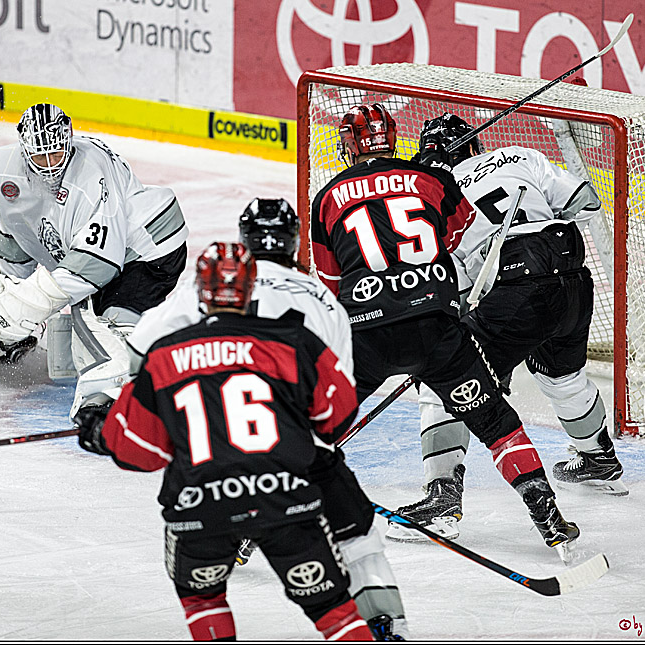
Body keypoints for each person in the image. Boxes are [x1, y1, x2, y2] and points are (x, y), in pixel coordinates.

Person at [122, 198, 408, 640]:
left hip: (214, 455)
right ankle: (385, 628)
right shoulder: (324, 301)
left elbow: (142, 349)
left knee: (204, 588)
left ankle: (243, 527)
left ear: (245, 239)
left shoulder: (213, 282)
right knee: (358, 539)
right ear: (294, 241)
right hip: (299, 459)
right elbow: (339, 402)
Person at [309, 103, 579, 559]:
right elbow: (460, 239)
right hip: (437, 332)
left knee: (315, 426)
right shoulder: (432, 181)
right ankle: (549, 518)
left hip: (368, 338)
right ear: (393, 139)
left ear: (348, 146)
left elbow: (332, 282)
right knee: (495, 422)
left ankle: (250, 529)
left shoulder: (327, 198)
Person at [75, 242, 375, 641]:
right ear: (251, 288)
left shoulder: (164, 355)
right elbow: (337, 415)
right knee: (333, 611)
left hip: (200, 506)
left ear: (200, 290)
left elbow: (141, 453)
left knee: (204, 600)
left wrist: (100, 432)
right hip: (284, 498)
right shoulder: (293, 341)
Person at [388, 113, 628, 542]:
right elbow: (586, 203)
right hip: (572, 279)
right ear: (475, 146)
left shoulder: (434, 200)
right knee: (563, 376)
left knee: (444, 380)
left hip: (518, 286)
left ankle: (442, 499)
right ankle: (599, 457)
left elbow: (452, 288)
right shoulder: (517, 154)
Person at [0, 103, 188, 417]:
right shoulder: (5, 170)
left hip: (147, 249)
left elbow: (96, 265)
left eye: (57, 154)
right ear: (24, 150)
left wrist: (22, 306)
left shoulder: (89, 174)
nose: (50, 166)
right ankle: (149, 369)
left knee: (97, 323)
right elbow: (14, 232)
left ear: (68, 140)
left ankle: (110, 398)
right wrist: (11, 299)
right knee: (95, 316)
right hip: (112, 251)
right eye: (41, 157)